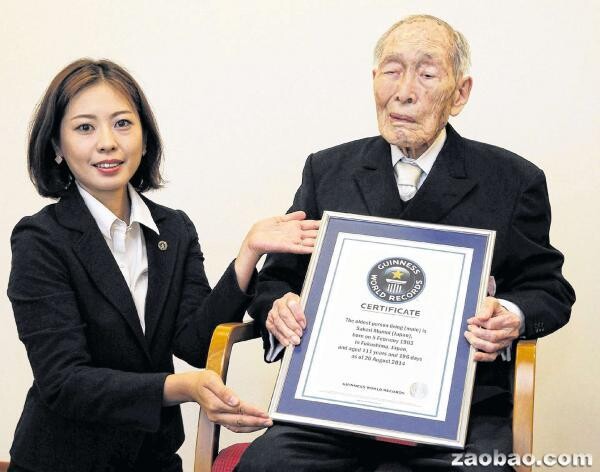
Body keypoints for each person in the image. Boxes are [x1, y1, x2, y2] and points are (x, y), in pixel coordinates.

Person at [236, 14, 575, 472]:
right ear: (374, 80)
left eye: (427, 74)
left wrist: (511, 316)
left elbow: (548, 290)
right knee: (267, 465)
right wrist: (279, 308)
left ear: (460, 94)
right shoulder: (328, 170)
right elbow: (277, 279)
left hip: (462, 416)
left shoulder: (512, 180)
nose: (404, 91)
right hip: (331, 413)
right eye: (392, 71)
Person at [7, 58, 319, 472]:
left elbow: (194, 343)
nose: (107, 142)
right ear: (57, 148)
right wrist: (184, 387)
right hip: (63, 462)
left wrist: (248, 253)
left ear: (145, 137)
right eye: (85, 128)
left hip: (152, 459)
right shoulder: (40, 239)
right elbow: (64, 382)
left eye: (122, 123)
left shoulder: (173, 228)